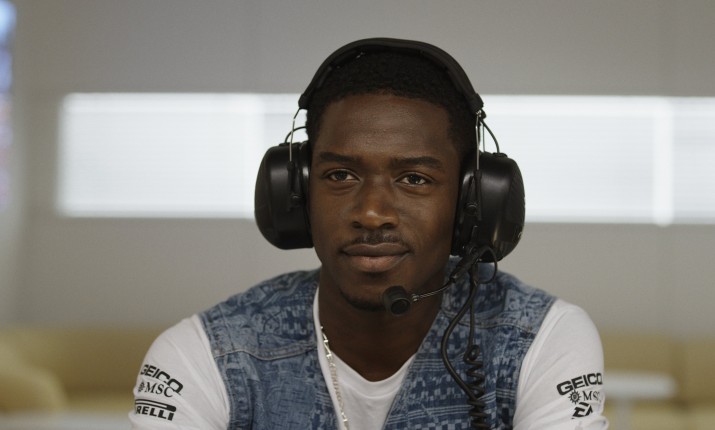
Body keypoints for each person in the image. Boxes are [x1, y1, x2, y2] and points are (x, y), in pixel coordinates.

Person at [130, 38, 608, 430]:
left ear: (473, 202)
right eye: (340, 175)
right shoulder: (208, 354)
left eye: (414, 179)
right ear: (296, 193)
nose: (372, 213)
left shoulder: (542, 338)